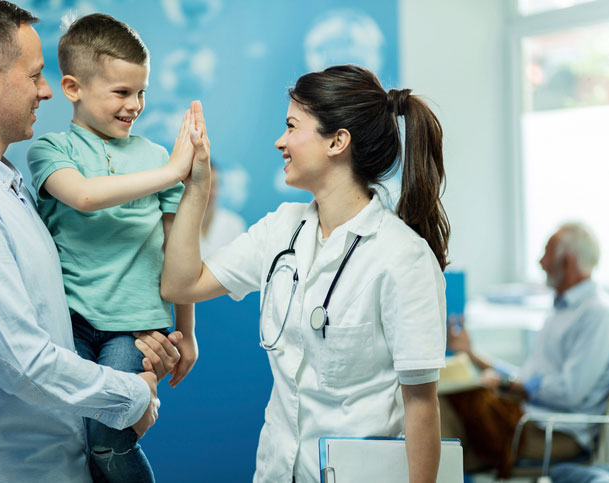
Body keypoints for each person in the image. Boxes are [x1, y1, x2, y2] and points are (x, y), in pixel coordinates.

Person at [0, 2, 181, 481]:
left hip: (61, 460)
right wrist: (134, 394)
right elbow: (24, 363)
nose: (47, 90)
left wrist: (144, 356)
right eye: (35, 76)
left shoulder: (5, 184)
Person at [162, 65, 451, 482]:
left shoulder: (402, 257)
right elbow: (180, 284)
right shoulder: (281, 229)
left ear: (337, 141)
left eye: (292, 126)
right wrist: (197, 189)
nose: (280, 141)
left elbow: (422, 407)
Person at [26, 13, 197, 482]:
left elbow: (177, 251)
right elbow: (82, 196)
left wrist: (187, 332)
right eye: (121, 93)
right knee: (76, 439)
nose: (135, 105)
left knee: (107, 438)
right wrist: (173, 172)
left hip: (136, 331)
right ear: (72, 87)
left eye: (141, 92)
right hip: (72, 326)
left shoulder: (155, 156)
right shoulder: (49, 150)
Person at [443, 222, 609, 477]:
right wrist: (472, 354)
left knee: (447, 409)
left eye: (547, 253)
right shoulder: (561, 310)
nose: (540, 262)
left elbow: (569, 392)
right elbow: (527, 378)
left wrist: (508, 386)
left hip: (555, 433)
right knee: (446, 406)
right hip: (528, 420)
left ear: (568, 262)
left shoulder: (599, 315)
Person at [200, 161, 247, 257]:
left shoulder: (234, 225)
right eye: (204, 185)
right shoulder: (176, 224)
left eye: (213, 185)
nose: (210, 192)